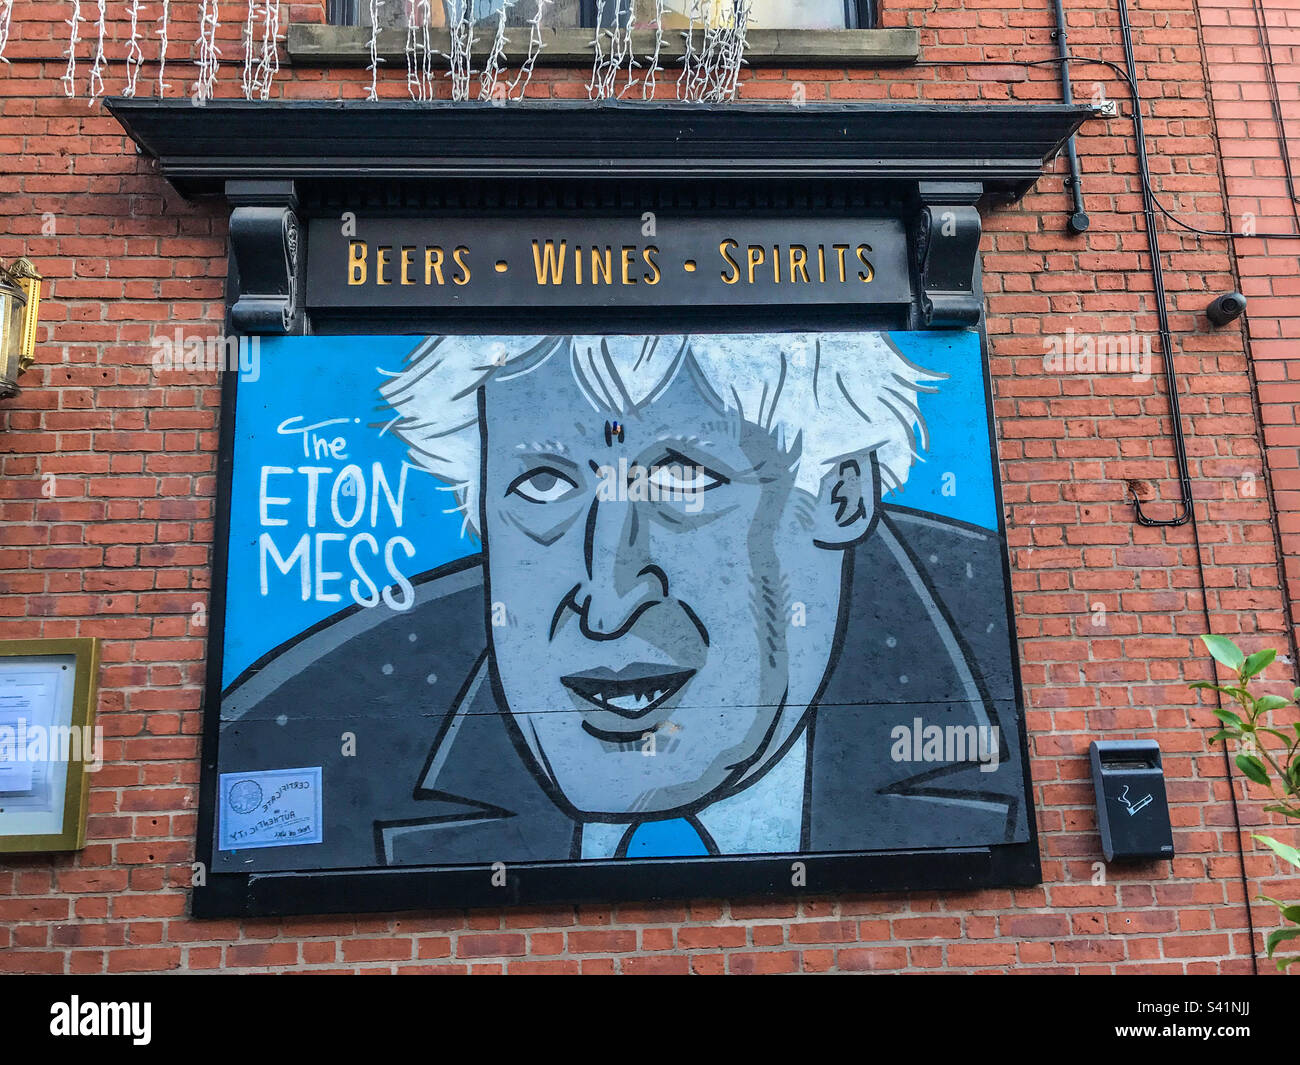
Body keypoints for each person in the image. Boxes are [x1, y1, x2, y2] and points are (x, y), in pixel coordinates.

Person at [217, 332, 1027, 867]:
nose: (606, 600)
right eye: (542, 483)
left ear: (842, 497)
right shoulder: (299, 726)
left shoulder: (989, 688)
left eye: (683, 478)